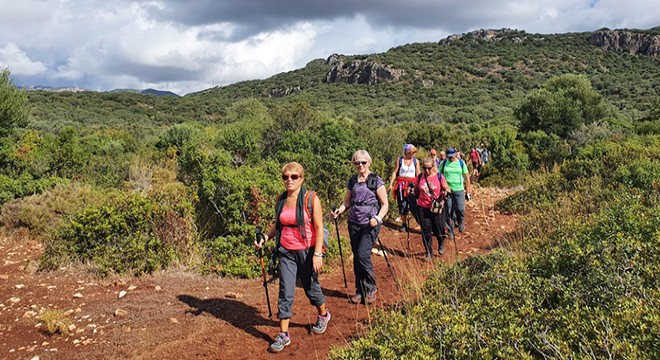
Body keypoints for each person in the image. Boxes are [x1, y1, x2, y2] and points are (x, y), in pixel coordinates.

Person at [254, 162, 330, 353]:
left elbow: (319, 227)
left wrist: (318, 254)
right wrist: (265, 237)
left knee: (311, 288)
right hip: (286, 251)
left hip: (307, 250)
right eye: (286, 177)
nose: (289, 180)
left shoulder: (311, 199)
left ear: (301, 178)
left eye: (294, 176)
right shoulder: (281, 199)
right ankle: (283, 334)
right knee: (285, 291)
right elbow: (278, 225)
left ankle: (323, 314)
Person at [332, 150, 389, 305]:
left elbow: (385, 204)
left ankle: (371, 288)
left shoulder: (376, 180)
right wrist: (339, 210)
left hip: (370, 224)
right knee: (357, 257)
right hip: (354, 223)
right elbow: (347, 202)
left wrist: (377, 218)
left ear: (369, 162)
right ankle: (360, 290)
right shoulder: (353, 181)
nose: (360, 165)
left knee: (363, 255)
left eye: (363, 162)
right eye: (357, 163)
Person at [415, 157, 451, 261]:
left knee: (439, 228)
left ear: (433, 167)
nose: (426, 171)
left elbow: (446, 187)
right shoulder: (420, 177)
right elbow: (417, 190)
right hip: (423, 207)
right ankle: (428, 252)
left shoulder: (439, 176)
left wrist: (446, 192)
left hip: (437, 207)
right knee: (426, 230)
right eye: (424, 168)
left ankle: (441, 242)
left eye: (429, 168)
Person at [438, 147, 471, 238]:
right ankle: (450, 230)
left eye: (452, 156)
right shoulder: (443, 163)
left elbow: (467, 177)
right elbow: (439, 176)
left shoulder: (461, 163)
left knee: (460, 209)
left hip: (459, 189)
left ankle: (460, 221)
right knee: (448, 211)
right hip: (448, 190)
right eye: (449, 157)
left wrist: (468, 191)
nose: (450, 158)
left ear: (456, 154)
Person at [388, 144, 420, 232]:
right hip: (401, 185)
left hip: (412, 185)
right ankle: (404, 224)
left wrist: (420, 186)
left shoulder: (415, 161)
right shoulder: (400, 160)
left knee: (413, 205)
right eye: (412, 152)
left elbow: (418, 174)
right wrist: (391, 184)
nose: (413, 154)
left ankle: (420, 223)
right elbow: (395, 172)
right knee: (402, 204)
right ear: (407, 152)